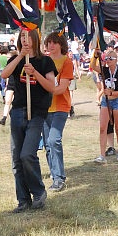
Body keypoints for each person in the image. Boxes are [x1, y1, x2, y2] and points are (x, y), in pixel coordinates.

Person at [0, 29, 57, 212]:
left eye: (28, 36)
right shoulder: (16, 60)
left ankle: (39, 191)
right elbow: (4, 75)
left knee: (27, 154)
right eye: (22, 36)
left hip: (37, 112)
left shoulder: (45, 61)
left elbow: (51, 87)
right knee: (17, 159)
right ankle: (23, 200)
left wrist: (35, 74)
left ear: (35, 38)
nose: (25, 39)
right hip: (17, 112)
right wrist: (20, 56)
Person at [43, 32, 74, 191]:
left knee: (54, 140)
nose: (51, 45)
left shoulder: (66, 62)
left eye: (55, 42)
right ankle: (55, 174)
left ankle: (59, 177)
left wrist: (47, 88)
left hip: (61, 107)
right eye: (49, 42)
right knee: (48, 145)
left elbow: (62, 87)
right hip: (44, 108)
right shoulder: (42, 61)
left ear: (61, 44)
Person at [91, 47, 118, 163]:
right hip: (106, 101)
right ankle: (102, 155)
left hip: (117, 101)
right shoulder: (104, 70)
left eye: (110, 58)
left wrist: (111, 92)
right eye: (106, 58)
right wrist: (95, 56)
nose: (108, 61)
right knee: (103, 128)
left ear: (116, 60)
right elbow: (93, 66)